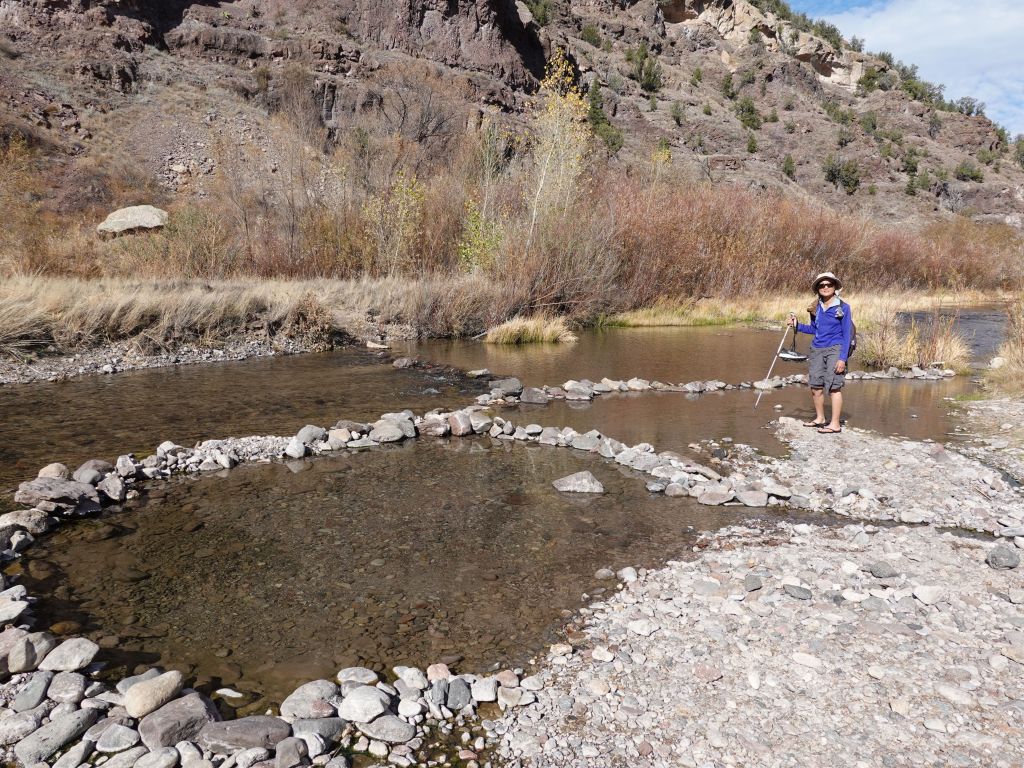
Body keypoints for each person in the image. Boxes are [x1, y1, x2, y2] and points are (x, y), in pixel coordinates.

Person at [787, 272, 853, 434]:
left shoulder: (843, 308)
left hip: (835, 349)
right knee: (815, 386)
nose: (825, 287)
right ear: (817, 288)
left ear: (835, 287)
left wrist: (842, 359)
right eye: (821, 285)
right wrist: (797, 325)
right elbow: (814, 329)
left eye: (828, 284)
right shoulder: (814, 308)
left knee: (833, 387)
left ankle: (835, 424)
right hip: (817, 349)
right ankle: (820, 418)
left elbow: (847, 334)